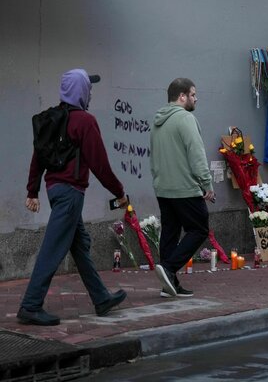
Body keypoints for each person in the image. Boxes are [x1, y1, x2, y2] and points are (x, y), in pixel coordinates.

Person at [20, 69, 128, 326]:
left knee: (79, 247)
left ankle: (101, 298)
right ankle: (30, 305)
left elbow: (39, 156)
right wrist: (119, 192)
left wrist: (32, 190)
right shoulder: (84, 121)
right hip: (70, 193)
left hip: (55, 190)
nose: (90, 92)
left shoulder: (52, 117)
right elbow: (100, 164)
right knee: (52, 248)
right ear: (81, 91)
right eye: (88, 88)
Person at [150, 78, 215, 298]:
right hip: (185, 188)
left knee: (170, 233)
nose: (196, 99)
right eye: (193, 95)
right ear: (182, 96)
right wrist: (206, 183)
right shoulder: (186, 119)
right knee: (199, 229)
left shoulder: (158, 121)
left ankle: (169, 285)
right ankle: (169, 269)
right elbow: (196, 155)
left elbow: (153, 156)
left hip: (163, 188)